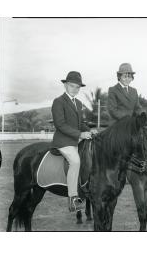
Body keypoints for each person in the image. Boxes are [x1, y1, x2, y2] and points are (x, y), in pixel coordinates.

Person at [51, 71, 96, 212]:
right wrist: (80, 134)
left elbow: (80, 123)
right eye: (72, 86)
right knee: (76, 161)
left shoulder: (79, 103)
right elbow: (60, 124)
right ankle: (73, 199)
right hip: (63, 141)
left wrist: (89, 130)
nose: (75, 89)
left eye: (78, 87)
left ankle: (87, 189)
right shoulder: (58, 101)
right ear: (65, 85)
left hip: (76, 140)